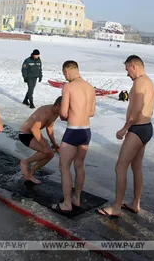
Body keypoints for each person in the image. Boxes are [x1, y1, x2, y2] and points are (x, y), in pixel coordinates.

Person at [97, 55, 154, 218]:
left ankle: (116, 207)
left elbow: (137, 109)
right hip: (146, 127)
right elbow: (148, 109)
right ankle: (135, 203)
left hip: (137, 129)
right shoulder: (150, 83)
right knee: (136, 166)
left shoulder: (139, 83)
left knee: (120, 167)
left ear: (134, 66)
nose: (127, 74)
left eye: (127, 69)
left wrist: (125, 128)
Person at [51, 60, 96, 213]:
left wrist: (67, 116)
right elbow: (91, 112)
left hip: (73, 131)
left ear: (68, 71)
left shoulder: (68, 87)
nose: (65, 77)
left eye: (65, 74)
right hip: (86, 131)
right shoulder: (90, 88)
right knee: (79, 165)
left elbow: (63, 113)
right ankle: (77, 198)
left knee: (64, 166)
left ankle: (67, 203)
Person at [19, 96, 63, 184]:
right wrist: (45, 145)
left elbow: (49, 127)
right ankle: (25, 162)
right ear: (58, 105)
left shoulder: (56, 112)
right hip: (25, 134)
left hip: (33, 134)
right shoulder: (46, 112)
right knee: (47, 151)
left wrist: (55, 144)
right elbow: (34, 129)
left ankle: (30, 174)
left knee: (50, 154)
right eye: (65, 108)